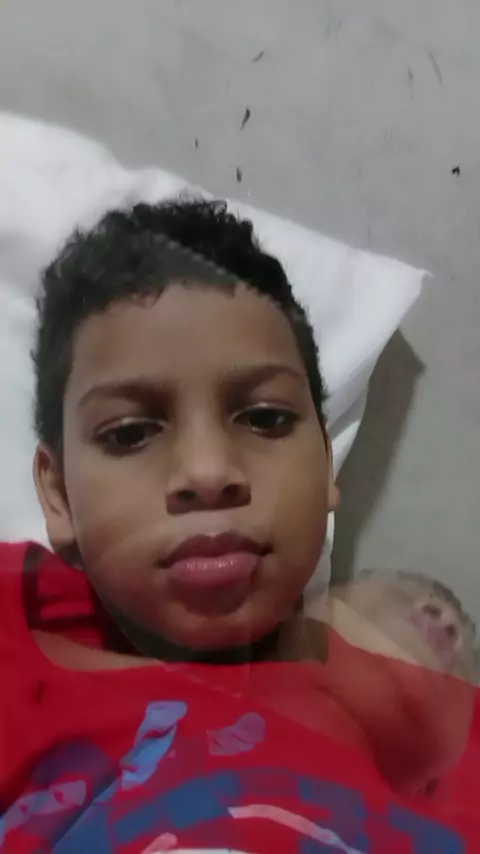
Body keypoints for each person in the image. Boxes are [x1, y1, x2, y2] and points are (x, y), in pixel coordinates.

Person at [0, 198, 477, 852]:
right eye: (131, 432)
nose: (208, 471)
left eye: (265, 418)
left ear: (324, 462)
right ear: (57, 495)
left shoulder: (425, 725)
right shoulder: (21, 629)